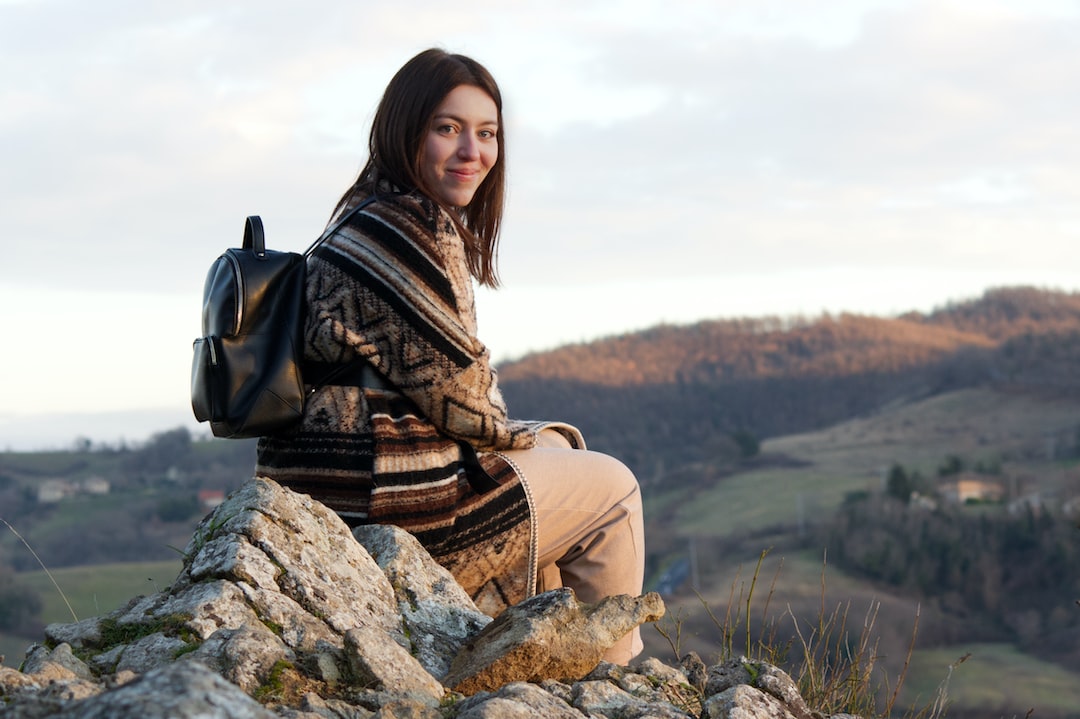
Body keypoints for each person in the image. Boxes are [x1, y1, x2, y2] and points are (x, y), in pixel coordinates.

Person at [255, 48, 645, 663]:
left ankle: (540, 656)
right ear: (405, 131)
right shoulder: (408, 227)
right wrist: (517, 434)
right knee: (613, 488)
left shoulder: (360, 216)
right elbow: (465, 403)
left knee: (560, 451)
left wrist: (532, 439)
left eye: (486, 133)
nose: (473, 152)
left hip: (337, 484)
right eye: (448, 129)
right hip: (394, 507)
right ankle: (612, 677)